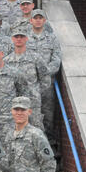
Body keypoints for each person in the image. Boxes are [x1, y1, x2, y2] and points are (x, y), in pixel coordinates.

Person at [4, 28, 51, 131]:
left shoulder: (35, 58)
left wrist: (36, 92)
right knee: (15, 129)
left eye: (22, 37)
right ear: (12, 39)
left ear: (26, 39)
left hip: (32, 102)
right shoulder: (6, 61)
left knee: (36, 128)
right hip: (14, 102)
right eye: (16, 37)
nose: (19, 39)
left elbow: (46, 78)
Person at [27, 9, 62, 141]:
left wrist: (45, 71)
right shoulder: (24, 38)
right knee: (30, 112)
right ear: (31, 20)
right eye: (35, 18)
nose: (37, 20)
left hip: (47, 82)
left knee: (48, 112)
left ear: (44, 20)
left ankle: (49, 141)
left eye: (40, 18)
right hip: (30, 83)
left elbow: (56, 58)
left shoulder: (52, 38)